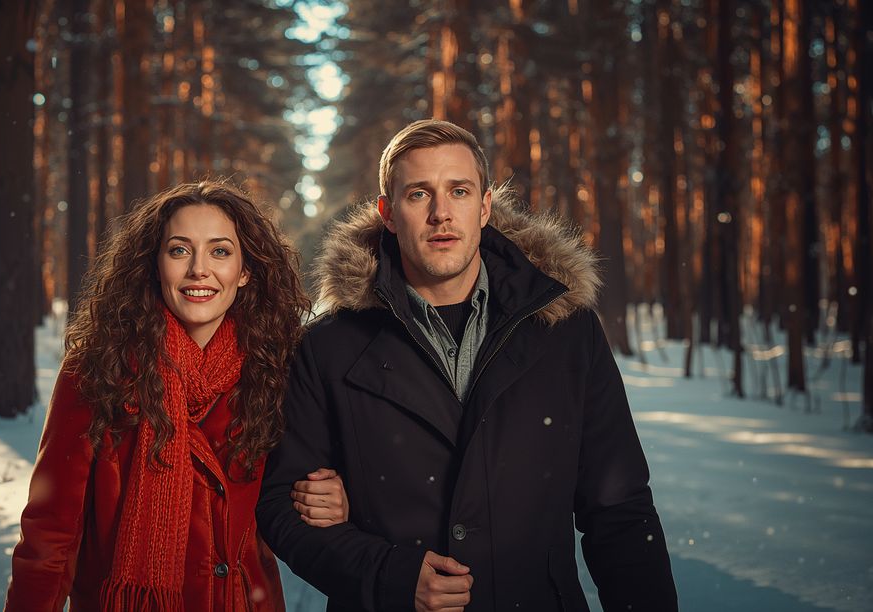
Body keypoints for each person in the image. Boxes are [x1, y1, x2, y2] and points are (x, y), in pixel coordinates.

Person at [257, 120, 678, 611]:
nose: (441, 214)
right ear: (388, 214)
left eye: (458, 191)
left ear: (483, 209)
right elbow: (282, 506)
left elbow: (620, 509)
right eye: (419, 194)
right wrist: (388, 573)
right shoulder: (329, 346)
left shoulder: (566, 331)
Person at [5, 181, 349, 611]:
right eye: (179, 250)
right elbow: (50, 532)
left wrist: (332, 495)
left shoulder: (275, 371)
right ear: (154, 264)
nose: (199, 270)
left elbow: (295, 490)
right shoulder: (97, 370)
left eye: (220, 251)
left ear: (245, 271)